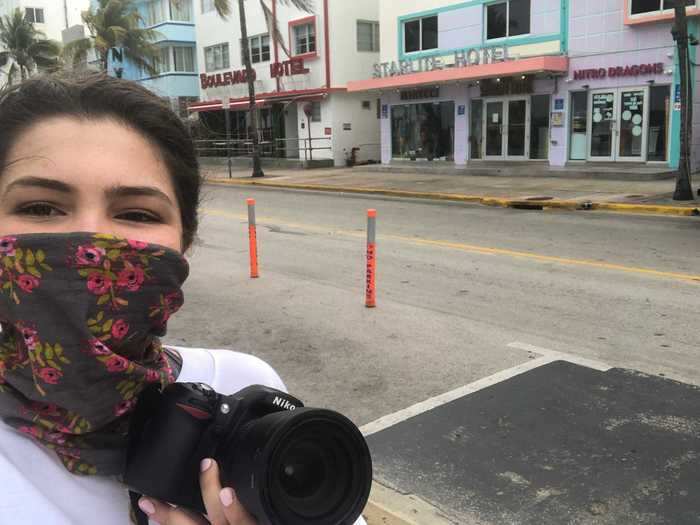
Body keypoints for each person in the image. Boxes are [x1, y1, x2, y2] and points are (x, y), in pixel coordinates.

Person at [0, 72, 366, 525]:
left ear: (183, 245)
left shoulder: (240, 386)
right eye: (40, 208)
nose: (92, 242)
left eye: (136, 213)